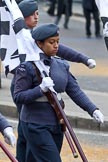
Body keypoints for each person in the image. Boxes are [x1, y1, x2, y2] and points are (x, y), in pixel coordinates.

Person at [4, 0, 96, 161]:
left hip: (52, 115)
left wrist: (84, 59)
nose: (37, 17)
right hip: (29, 95)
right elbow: (20, 95)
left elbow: (62, 52)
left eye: (38, 13)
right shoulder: (23, 37)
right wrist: (41, 89)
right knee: (26, 130)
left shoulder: (43, 41)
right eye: (32, 14)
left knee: (32, 151)